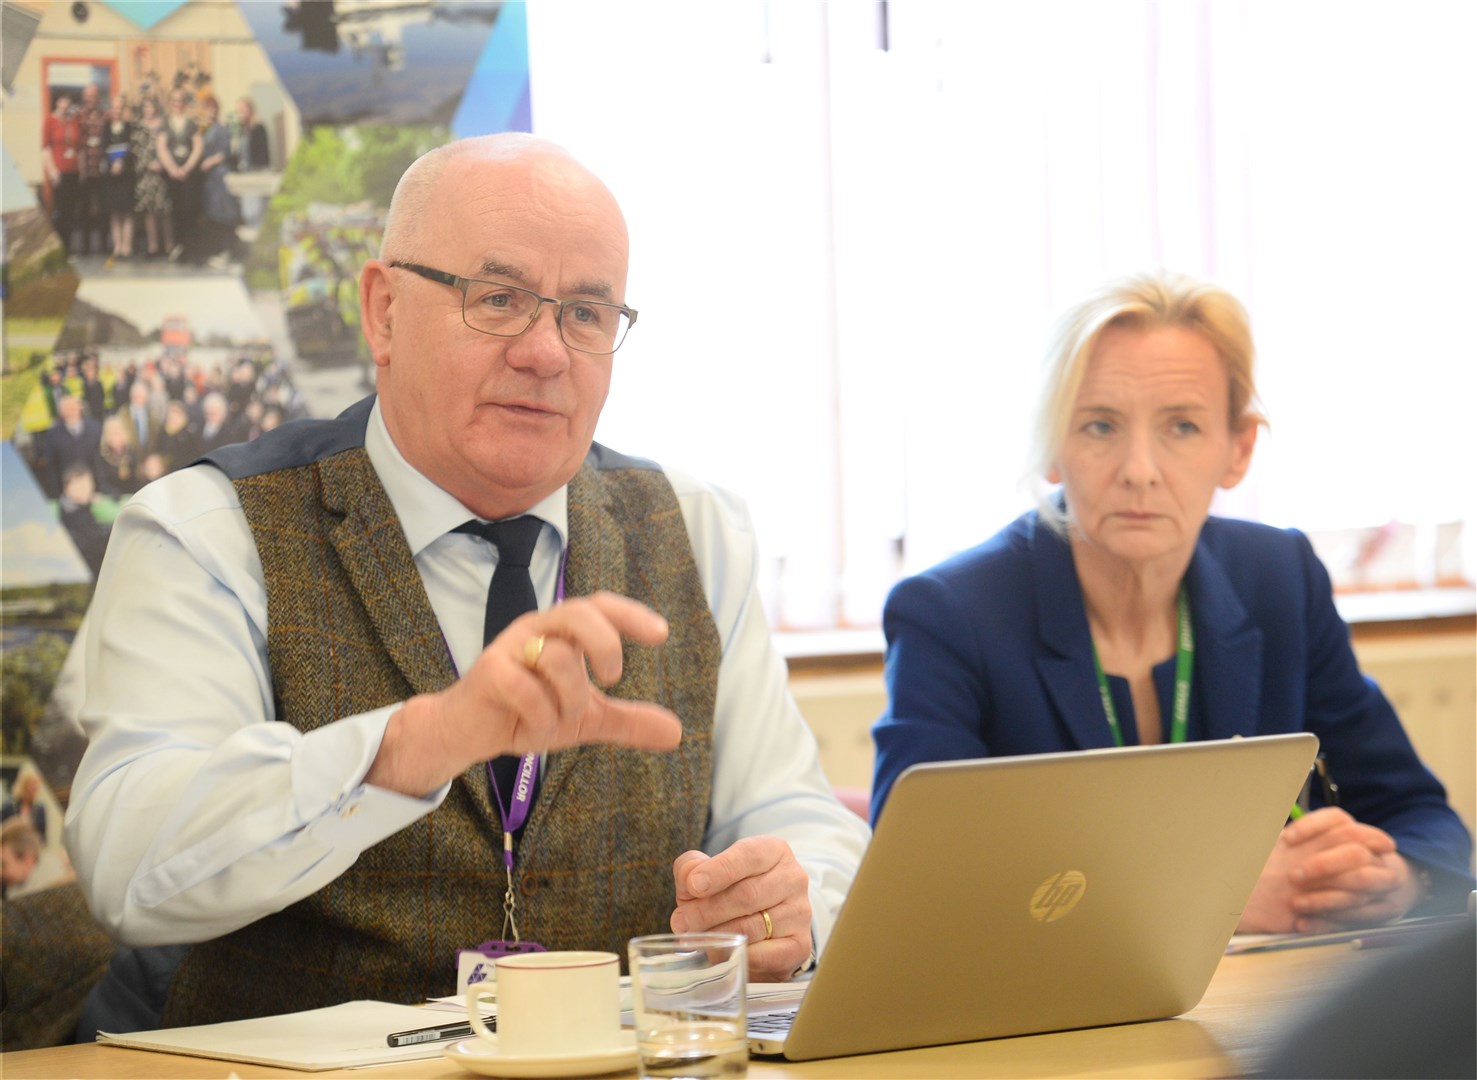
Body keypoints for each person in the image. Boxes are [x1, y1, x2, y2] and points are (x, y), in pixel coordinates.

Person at [66, 134, 869, 1027]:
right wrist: (419, 743)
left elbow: (794, 812)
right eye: (498, 299)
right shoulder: (207, 529)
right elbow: (124, 864)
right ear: (383, 312)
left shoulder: (693, 527)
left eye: (587, 314)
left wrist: (791, 904)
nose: (546, 353)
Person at [870, 270, 1473, 933]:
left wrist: (1396, 880)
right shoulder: (949, 614)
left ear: (1237, 449)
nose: (1138, 468)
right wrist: (1222, 901)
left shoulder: (1277, 579)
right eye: (1099, 426)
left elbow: (1419, 816)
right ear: (1051, 447)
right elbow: (922, 891)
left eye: (1180, 427)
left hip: (1263, 1007)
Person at [132, 95, 172, 259]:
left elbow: (171, 146)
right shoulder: (138, 127)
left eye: (151, 107)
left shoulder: (165, 126)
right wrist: (147, 164)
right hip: (146, 175)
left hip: (163, 174)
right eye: (146, 107)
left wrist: (163, 164)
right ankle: (153, 246)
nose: (149, 110)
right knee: (149, 211)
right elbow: (135, 150)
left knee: (165, 211)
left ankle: (169, 246)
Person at [41, 93, 81, 254]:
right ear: (57, 103)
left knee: (71, 210)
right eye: (62, 101)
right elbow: (45, 148)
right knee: (60, 210)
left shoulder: (73, 120)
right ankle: (58, 247)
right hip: (58, 172)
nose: (65, 105)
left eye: (68, 101)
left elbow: (77, 144)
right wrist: (53, 171)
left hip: (74, 171)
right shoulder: (50, 120)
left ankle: (69, 247)